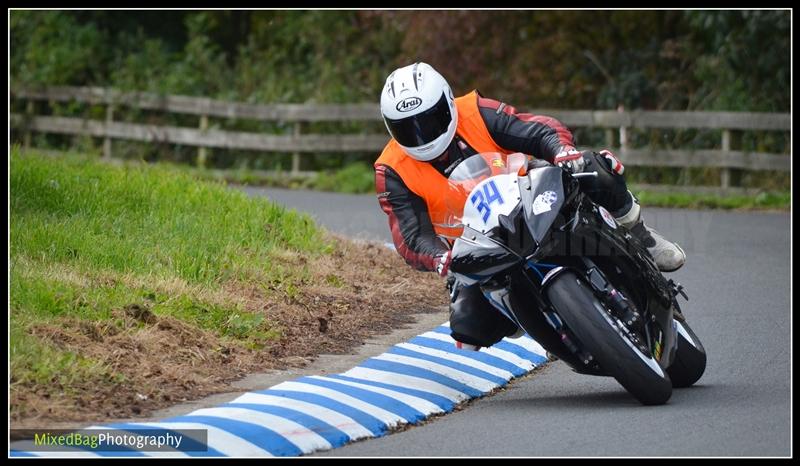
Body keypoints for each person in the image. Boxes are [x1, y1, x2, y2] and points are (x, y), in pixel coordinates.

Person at [374, 62, 686, 351]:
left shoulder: (474, 111)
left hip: (531, 197)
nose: (421, 134)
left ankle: (640, 234)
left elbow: (535, 129)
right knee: (469, 329)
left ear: (447, 101)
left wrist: (560, 149)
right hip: (478, 246)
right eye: (407, 128)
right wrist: (438, 257)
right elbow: (410, 234)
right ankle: (531, 316)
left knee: (593, 167)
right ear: (390, 128)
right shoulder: (392, 170)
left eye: (429, 121)